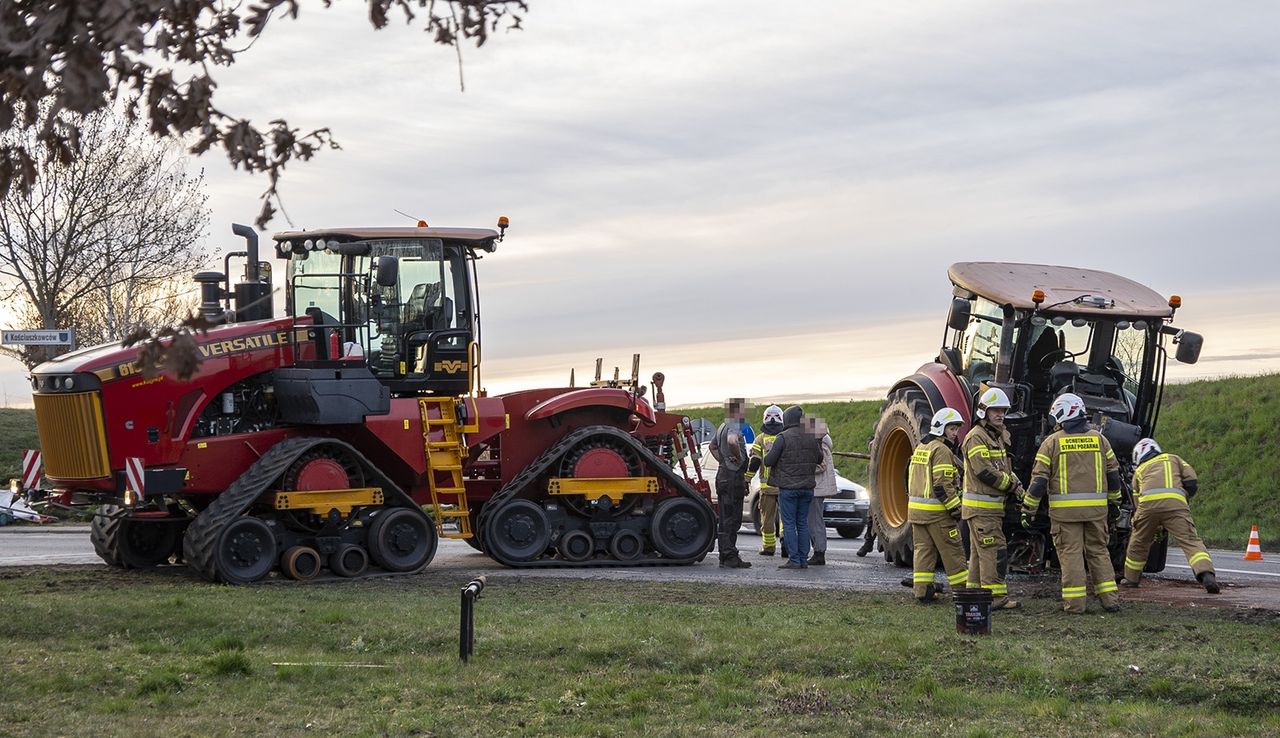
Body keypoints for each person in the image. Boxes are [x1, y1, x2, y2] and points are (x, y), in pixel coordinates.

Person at [1021, 393, 1122, 614]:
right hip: (1096, 512)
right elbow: (1114, 475)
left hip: (1065, 515)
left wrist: (1028, 509)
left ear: (1061, 414)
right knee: (1099, 552)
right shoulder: (1100, 440)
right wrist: (1115, 503)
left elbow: (1039, 482)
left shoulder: (1051, 443)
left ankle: (1075, 605)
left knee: (1071, 555)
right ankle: (1110, 601)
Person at [1120, 438, 1219, 593]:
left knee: (1138, 543)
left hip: (1147, 508)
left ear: (1138, 456)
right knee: (1191, 541)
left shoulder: (1139, 471)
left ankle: (1131, 579)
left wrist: (1147, 524)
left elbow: (1137, 503)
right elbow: (1192, 482)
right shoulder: (1174, 459)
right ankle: (1206, 574)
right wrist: (1182, 498)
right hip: (1176, 505)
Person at [962, 387, 1023, 609]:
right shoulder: (976, 437)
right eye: (995, 410)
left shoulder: (994, 437)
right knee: (993, 552)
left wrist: (1016, 483)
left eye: (1003, 410)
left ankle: (973, 596)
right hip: (983, 510)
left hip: (987, 510)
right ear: (984, 411)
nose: (1000, 414)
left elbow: (1002, 467)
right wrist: (1010, 485)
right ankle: (996, 598)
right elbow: (984, 472)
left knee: (979, 555)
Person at [908, 408, 968, 602]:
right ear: (941, 428)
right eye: (951, 428)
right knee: (953, 552)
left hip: (917, 514)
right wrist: (956, 509)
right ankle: (962, 592)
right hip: (938, 514)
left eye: (956, 429)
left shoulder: (921, 447)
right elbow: (942, 485)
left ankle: (922, 591)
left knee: (923, 552)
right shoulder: (941, 450)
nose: (955, 433)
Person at [764, 405, 823, 569]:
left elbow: (768, 461)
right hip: (807, 488)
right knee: (802, 523)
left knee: (789, 524)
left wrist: (768, 450)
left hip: (788, 488)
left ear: (787, 420)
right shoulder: (811, 436)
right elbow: (819, 458)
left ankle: (794, 560)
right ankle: (803, 560)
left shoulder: (783, 437)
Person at [709, 398, 752, 568]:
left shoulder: (722, 426)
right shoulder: (734, 425)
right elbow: (732, 441)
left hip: (723, 475)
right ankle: (730, 556)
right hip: (733, 477)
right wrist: (738, 459)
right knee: (732, 519)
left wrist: (723, 460)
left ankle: (725, 555)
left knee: (725, 518)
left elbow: (712, 447)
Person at [744, 405, 785, 556]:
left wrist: (747, 478)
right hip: (784, 486)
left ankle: (768, 547)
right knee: (786, 518)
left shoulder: (760, 439)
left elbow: (754, 462)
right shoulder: (785, 437)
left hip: (767, 487)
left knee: (767, 518)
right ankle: (786, 543)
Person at [807, 416, 837, 566]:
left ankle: (819, 552)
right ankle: (818, 550)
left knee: (814, 520)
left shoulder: (821, 443)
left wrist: (804, 467)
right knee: (815, 519)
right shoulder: (822, 441)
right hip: (817, 487)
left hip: (816, 488)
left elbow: (821, 465)